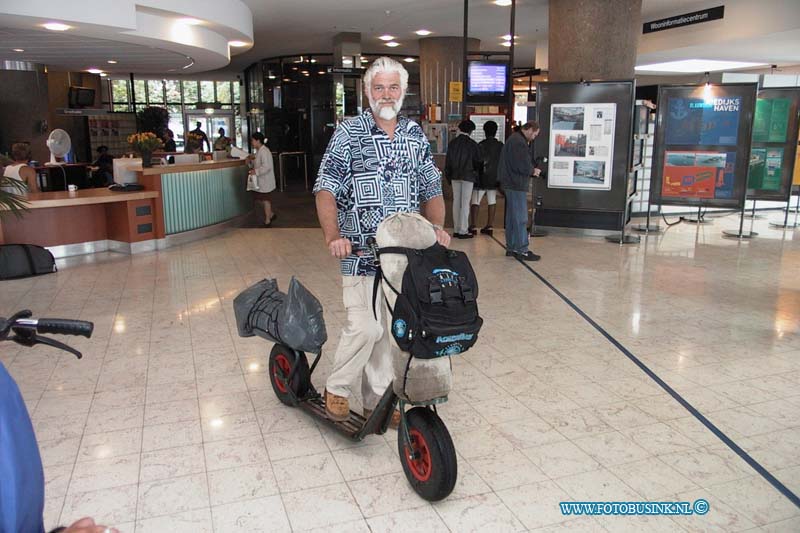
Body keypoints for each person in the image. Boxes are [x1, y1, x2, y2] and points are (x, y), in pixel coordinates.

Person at [314, 56, 449, 425]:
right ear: (367, 92)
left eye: (393, 87)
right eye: (379, 87)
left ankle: (376, 401)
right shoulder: (349, 132)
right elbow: (325, 187)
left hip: (402, 258)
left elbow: (431, 187)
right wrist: (334, 236)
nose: (386, 94)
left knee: (389, 330)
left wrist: (437, 228)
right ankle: (337, 388)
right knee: (366, 327)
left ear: (403, 91)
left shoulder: (413, 134)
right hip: (358, 253)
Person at [498, 121, 540, 261]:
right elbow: (521, 165)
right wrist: (533, 170)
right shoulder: (519, 142)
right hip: (516, 184)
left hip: (510, 183)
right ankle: (522, 249)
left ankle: (512, 247)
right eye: (534, 134)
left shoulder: (514, 139)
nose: (534, 137)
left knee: (511, 218)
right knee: (521, 218)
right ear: (529, 130)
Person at [444, 119, 481, 239]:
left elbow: (448, 161)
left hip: (455, 176)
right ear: (470, 131)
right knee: (465, 203)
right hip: (468, 176)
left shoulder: (452, 143)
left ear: (460, 129)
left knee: (456, 202)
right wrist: (476, 173)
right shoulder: (473, 144)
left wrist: (449, 176)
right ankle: (463, 230)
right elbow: (478, 162)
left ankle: (456, 229)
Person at [471, 120, 503, 236]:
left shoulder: (480, 145)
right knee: (492, 200)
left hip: (481, 178)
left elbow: (476, 162)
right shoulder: (500, 146)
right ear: (496, 132)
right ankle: (489, 226)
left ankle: (473, 226)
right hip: (494, 178)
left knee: (475, 201)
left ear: (484, 131)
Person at [249, 132, 277, 226]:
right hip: (262, 181)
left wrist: (256, 171)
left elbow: (266, 166)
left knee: (265, 200)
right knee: (263, 199)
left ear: (258, 141)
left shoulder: (264, 151)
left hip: (266, 180)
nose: (252, 142)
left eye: (252, 140)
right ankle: (270, 215)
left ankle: (268, 220)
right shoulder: (260, 151)